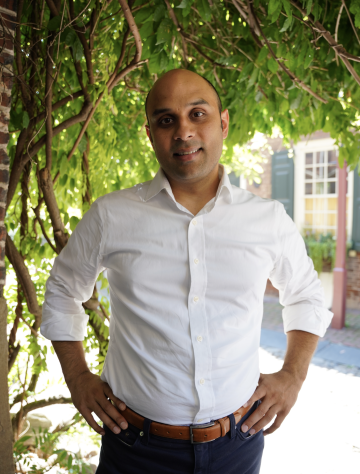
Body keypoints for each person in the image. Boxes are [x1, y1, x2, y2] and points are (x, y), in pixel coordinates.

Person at [40, 69, 333, 474]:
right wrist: (77, 377)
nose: (183, 131)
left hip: (237, 447)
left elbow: (305, 297)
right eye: (166, 120)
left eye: (198, 114)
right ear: (150, 133)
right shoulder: (112, 216)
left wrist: (292, 377)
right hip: (134, 450)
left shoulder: (267, 220)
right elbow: (61, 293)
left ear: (223, 123)